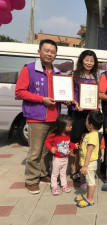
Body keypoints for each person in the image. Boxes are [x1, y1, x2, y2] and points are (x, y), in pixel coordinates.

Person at [15, 39, 61, 194]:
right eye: (46, 50)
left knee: (48, 150)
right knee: (35, 151)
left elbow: (62, 92)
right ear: (39, 51)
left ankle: (42, 174)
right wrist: (42, 99)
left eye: (53, 52)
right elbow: (20, 91)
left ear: (56, 55)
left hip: (54, 118)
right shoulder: (29, 69)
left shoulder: (58, 73)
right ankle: (31, 180)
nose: (49, 54)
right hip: (36, 118)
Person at [68, 50, 99, 183]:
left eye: (92, 61)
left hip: (89, 114)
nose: (89, 63)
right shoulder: (74, 75)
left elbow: (95, 95)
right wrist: (75, 103)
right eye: (87, 60)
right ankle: (73, 171)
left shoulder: (94, 77)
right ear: (81, 60)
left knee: (86, 143)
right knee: (74, 143)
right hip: (76, 113)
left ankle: (84, 167)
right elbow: (69, 93)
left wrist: (96, 104)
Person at [75, 110, 104, 208]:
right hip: (87, 163)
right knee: (88, 181)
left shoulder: (92, 136)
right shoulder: (89, 134)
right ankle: (87, 195)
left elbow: (89, 152)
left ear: (90, 125)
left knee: (90, 182)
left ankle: (90, 199)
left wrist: (85, 166)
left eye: (86, 120)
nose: (85, 121)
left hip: (90, 164)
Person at [44, 115, 78, 195]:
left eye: (71, 125)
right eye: (69, 126)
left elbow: (68, 143)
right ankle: (54, 187)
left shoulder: (68, 134)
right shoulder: (54, 135)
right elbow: (46, 142)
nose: (71, 127)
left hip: (65, 158)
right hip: (57, 158)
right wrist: (51, 148)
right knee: (55, 173)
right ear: (62, 126)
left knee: (63, 173)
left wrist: (73, 145)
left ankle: (64, 185)